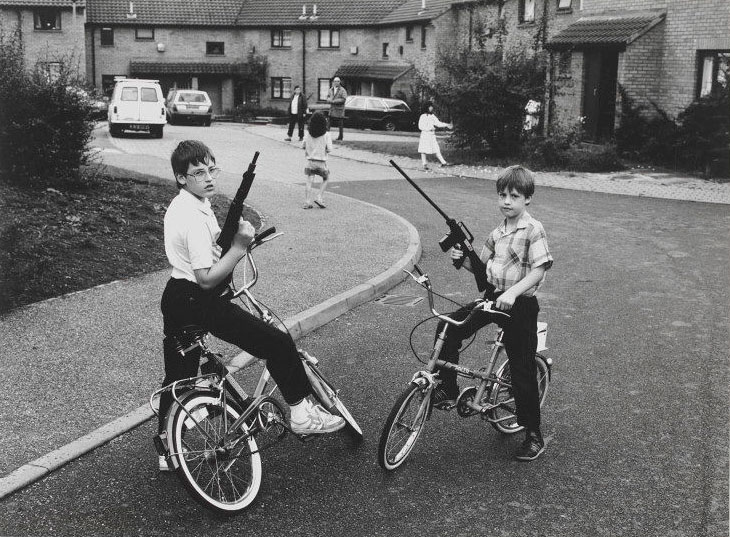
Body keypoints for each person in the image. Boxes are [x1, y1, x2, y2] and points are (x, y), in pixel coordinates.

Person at [157, 140, 344, 471]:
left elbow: (212, 250)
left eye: (211, 169)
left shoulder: (184, 205)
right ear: (181, 178)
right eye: (198, 172)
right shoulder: (192, 216)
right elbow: (207, 278)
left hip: (175, 298)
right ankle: (301, 413)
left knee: (179, 376)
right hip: (198, 298)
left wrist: (232, 244)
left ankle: (167, 452)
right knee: (277, 342)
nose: (208, 177)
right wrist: (240, 247)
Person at [433, 165, 553, 462]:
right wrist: (461, 260)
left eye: (514, 195)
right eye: (502, 195)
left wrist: (513, 293)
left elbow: (540, 268)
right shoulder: (497, 232)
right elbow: (481, 267)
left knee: (521, 367)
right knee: (448, 327)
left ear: (528, 199)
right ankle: (447, 388)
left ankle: (533, 434)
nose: (506, 201)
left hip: (520, 304)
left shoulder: (533, 228)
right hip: (492, 297)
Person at [301, 112, 333, 209]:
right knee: (326, 178)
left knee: (309, 180)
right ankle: (319, 197)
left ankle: (307, 201)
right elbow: (329, 149)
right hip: (321, 162)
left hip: (310, 161)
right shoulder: (326, 135)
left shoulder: (308, 134)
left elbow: (303, 145)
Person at [418, 102, 453, 169]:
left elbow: (438, 123)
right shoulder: (422, 116)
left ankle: (443, 162)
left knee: (436, 148)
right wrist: (429, 128)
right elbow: (420, 126)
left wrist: (447, 125)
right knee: (423, 149)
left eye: (432, 106)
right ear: (427, 107)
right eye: (430, 106)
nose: (432, 108)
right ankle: (424, 164)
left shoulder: (432, 116)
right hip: (425, 135)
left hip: (432, 135)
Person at [326, 77, 347, 141]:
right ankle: (326, 136)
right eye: (335, 81)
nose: (336, 82)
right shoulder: (331, 89)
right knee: (328, 124)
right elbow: (328, 97)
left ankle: (340, 137)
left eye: (337, 81)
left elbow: (343, 99)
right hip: (332, 109)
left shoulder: (343, 90)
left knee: (340, 124)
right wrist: (329, 100)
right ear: (333, 82)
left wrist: (334, 101)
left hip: (339, 110)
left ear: (339, 82)